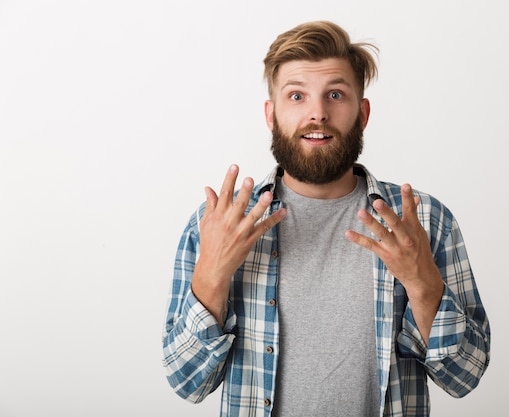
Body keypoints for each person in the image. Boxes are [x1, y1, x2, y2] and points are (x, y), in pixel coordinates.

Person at [162, 20, 490, 417]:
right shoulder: (218, 224)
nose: (317, 113)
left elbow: (464, 377)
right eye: (296, 96)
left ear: (362, 112)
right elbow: (186, 383)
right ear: (271, 114)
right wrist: (212, 276)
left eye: (335, 94)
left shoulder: (424, 221)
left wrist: (423, 285)